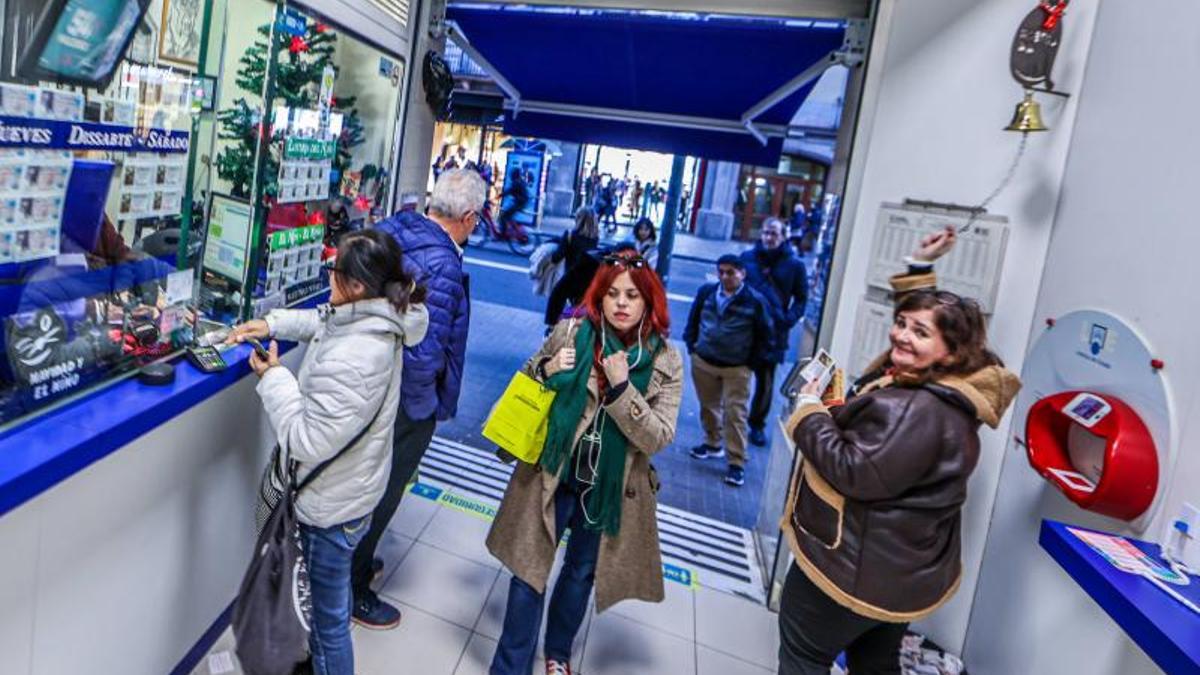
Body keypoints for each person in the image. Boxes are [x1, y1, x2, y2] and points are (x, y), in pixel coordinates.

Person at [777, 227, 1020, 675]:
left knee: (803, 658)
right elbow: (928, 326)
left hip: (849, 573)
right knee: (874, 662)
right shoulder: (956, 387)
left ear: (949, 351)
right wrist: (920, 268)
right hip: (898, 575)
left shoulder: (914, 409)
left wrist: (810, 410)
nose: (901, 336)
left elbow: (852, 469)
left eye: (919, 333)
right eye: (902, 324)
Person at [228, 230, 429, 675]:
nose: (328, 275)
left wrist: (274, 378)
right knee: (321, 613)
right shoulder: (380, 316)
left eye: (333, 269)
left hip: (329, 510)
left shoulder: (358, 356)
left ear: (356, 286)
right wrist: (273, 323)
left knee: (328, 625)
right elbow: (325, 320)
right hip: (351, 493)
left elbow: (306, 441)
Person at [487, 249, 683, 675]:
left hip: (609, 488)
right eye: (612, 293)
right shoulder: (572, 331)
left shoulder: (666, 361)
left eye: (632, 295)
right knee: (527, 571)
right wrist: (548, 367)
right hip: (550, 475)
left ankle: (557, 654)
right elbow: (527, 377)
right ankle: (510, 666)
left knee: (579, 574)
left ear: (649, 301)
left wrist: (621, 391)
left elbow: (660, 435)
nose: (621, 303)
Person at [351, 168, 486, 628]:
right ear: (468, 217)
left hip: (368, 383)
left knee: (362, 483)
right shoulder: (444, 262)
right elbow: (425, 351)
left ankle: (353, 565)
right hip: (402, 401)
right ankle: (353, 587)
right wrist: (420, 410)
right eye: (478, 218)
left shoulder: (394, 227)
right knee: (383, 491)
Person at [683, 254, 774, 487]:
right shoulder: (707, 293)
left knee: (736, 414)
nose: (725, 276)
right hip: (704, 361)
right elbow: (693, 321)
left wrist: (751, 363)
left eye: (730, 272)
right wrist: (692, 346)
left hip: (737, 368)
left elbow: (766, 335)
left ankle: (736, 462)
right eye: (721, 271)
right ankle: (712, 443)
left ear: (742, 273)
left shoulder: (755, 301)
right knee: (708, 406)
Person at [741, 217, 808, 447]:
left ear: (783, 237)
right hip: (745, 330)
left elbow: (801, 300)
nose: (769, 238)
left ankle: (756, 424)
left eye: (774, 234)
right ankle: (732, 421)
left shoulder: (795, 265)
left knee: (765, 381)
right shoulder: (747, 258)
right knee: (736, 378)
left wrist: (787, 320)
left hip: (773, 333)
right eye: (767, 233)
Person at [500, 168, 530, 236]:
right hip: (520, 202)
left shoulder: (516, 182)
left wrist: (499, 196)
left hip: (520, 203)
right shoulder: (519, 181)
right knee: (508, 215)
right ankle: (509, 230)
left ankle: (503, 234)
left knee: (503, 216)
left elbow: (509, 191)